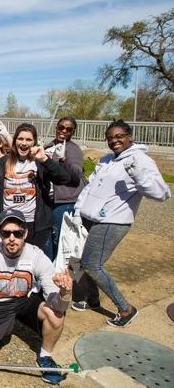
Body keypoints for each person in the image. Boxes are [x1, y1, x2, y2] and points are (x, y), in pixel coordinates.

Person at [72, 119, 170, 326]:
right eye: (110, 138)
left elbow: (161, 193)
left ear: (130, 136)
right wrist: (79, 209)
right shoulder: (107, 159)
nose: (114, 141)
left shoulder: (140, 160)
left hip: (112, 221)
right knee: (86, 262)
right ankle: (92, 300)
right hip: (92, 218)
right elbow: (90, 187)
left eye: (119, 137)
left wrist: (137, 174)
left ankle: (126, 309)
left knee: (91, 264)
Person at [0, 209, 73, 385]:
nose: (12, 238)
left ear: (25, 233)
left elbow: (58, 305)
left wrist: (65, 293)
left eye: (17, 233)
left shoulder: (36, 255)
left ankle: (46, 357)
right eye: (6, 233)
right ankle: (6, 324)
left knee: (56, 315)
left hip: (24, 299)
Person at [0, 123, 78, 257]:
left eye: (28, 140)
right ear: (15, 141)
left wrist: (46, 160)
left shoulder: (40, 161)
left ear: (34, 142)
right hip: (10, 223)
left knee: (36, 265)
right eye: (20, 139)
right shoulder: (4, 162)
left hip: (36, 225)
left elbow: (65, 179)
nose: (24, 143)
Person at [43, 117, 85, 261]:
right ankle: (49, 269)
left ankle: (60, 271)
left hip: (64, 201)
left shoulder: (73, 149)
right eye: (61, 127)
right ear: (56, 127)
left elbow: (76, 174)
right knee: (48, 236)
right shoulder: (49, 146)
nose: (64, 131)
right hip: (48, 199)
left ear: (73, 132)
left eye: (69, 129)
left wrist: (64, 161)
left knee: (60, 238)